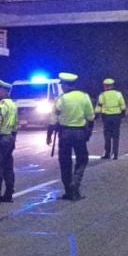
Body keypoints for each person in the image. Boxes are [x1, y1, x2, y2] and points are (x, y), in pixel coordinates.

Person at [47, 72, 96, 201]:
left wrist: (49, 135)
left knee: (65, 162)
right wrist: (89, 131)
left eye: (62, 85)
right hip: (80, 133)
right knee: (82, 159)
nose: (61, 87)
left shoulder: (61, 99)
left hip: (64, 134)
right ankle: (75, 183)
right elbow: (91, 117)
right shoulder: (84, 97)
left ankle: (69, 190)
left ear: (65, 85)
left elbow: (53, 119)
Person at [96, 78, 127, 160]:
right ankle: (115, 154)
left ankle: (107, 153)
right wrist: (123, 114)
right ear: (112, 85)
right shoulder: (118, 94)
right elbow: (123, 105)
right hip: (117, 117)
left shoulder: (102, 95)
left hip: (106, 117)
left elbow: (99, 106)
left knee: (107, 136)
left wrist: (96, 115)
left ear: (105, 86)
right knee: (116, 136)